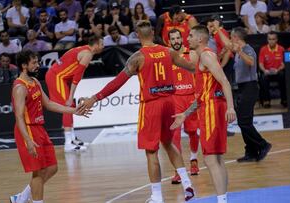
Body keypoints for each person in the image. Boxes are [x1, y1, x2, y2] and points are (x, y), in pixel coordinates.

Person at [79, 20, 195, 203]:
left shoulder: (138, 57)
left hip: (151, 105)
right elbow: (192, 67)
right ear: (153, 34)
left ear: (138, 36)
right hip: (170, 103)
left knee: (151, 152)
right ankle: (187, 184)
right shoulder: (169, 51)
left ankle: (157, 197)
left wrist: (94, 98)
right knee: (168, 142)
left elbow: (117, 83)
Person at [9, 50, 89, 203]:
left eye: (37, 62)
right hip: (28, 130)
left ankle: (22, 197)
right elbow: (18, 116)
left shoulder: (35, 81)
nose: (38, 65)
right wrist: (28, 140)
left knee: (52, 168)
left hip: (40, 129)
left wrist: (74, 111)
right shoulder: (20, 87)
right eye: (34, 63)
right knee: (38, 173)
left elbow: (49, 104)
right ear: (24, 65)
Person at [170, 25, 236, 203]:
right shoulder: (202, 57)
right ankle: (223, 199)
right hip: (209, 107)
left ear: (200, 39)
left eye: (190, 36)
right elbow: (201, 96)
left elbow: (225, 82)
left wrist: (231, 107)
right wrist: (185, 114)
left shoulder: (206, 55)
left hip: (213, 109)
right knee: (216, 158)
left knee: (210, 158)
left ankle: (222, 200)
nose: (187, 39)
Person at [217, 26, 272, 163]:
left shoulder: (248, 49)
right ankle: (251, 152)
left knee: (244, 122)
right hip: (242, 88)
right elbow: (227, 44)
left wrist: (240, 52)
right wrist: (218, 29)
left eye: (232, 37)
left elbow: (251, 62)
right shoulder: (237, 50)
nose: (230, 40)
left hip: (250, 87)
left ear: (236, 38)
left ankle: (263, 144)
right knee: (243, 122)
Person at [45, 35, 104, 152]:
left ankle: (72, 138)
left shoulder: (83, 49)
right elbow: (77, 77)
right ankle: (68, 144)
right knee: (67, 107)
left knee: (70, 106)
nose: (103, 47)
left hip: (59, 76)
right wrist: (71, 96)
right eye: (102, 44)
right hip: (57, 77)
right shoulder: (87, 54)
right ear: (96, 45)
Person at [167, 29, 200, 185]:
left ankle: (194, 159)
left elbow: (199, 76)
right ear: (169, 41)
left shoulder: (191, 54)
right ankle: (178, 171)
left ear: (182, 38)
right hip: (175, 99)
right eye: (172, 38)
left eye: (178, 37)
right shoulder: (167, 57)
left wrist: (198, 94)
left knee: (193, 131)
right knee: (175, 137)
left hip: (190, 97)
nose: (175, 41)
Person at [258, 32, 286, 108]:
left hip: (278, 72)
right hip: (267, 72)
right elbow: (260, 63)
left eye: (273, 39)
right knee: (263, 78)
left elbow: (284, 64)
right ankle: (266, 101)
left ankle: (284, 100)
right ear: (267, 40)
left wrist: (278, 69)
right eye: (269, 39)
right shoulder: (263, 49)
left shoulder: (281, 49)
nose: (271, 41)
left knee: (283, 75)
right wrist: (264, 70)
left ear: (276, 39)